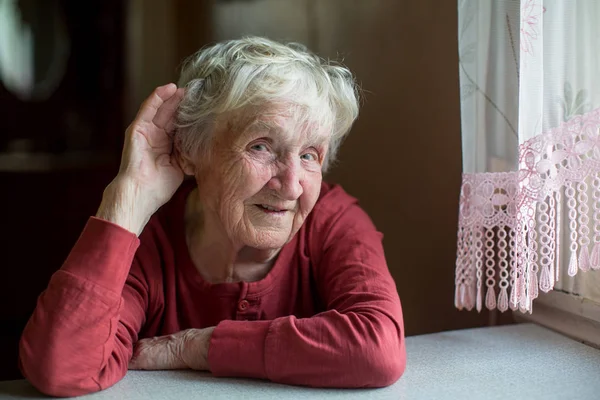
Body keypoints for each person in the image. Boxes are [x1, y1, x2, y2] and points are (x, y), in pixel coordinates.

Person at [18, 36, 406, 397]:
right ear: (189, 150)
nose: (291, 186)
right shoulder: (149, 239)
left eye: (309, 155)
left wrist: (197, 347)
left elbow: (376, 349)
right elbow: (62, 367)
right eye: (261, 146)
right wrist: (129, 196)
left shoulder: (332, 221)